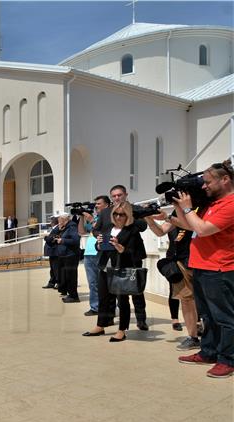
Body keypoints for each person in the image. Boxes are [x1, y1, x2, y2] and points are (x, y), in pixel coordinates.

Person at [173, 159, 234, 378]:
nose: (204, 186)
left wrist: (189, 207)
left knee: (224, 317)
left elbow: (204, 229)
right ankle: (208, 352)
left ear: (225, 180)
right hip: (200, 267)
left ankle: (228, 360)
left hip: (219, 269)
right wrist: (180, 207)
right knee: (207, 316)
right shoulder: (213, 204)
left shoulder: (231, 204)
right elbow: (189, 225)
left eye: (208, 182)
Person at [83, 201, 145, 342]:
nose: (118, 217)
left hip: (121, 269)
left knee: (122, 301)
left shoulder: (132, 231)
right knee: (103, 298)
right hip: (106, 267)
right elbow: (101, 248)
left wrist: (121, 248)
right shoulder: (108, 228)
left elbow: (137, 253)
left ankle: (122, 330)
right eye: (115, 214)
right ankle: (100, 325)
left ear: (127, 215)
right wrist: (99, 244)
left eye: (122, 214)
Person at [95, 185, 149, 330]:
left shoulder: (135, 209)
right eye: (114, 196)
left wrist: (128, 218)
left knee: (135, 290)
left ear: (126, 194)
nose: (117, 198)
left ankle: (141, 319)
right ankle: (106, 320)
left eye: (119, 195)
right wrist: (100, 239)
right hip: (109, 256)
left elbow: (143, 226)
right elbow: (97, 229)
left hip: (131, 255)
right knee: (108, 291)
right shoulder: (106, 212)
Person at [145, 210, 199, 350]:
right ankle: (192, 337)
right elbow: (160, 231)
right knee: (186, 300)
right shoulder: (178, 210)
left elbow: (197, 226)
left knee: (209, 301)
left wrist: (169, 216)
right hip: (182, 260)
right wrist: (149, 218)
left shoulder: (204, 203)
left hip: (204, 259)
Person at [78, 196, 111, 316]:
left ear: (107, 205)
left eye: (99, 204)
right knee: (92, 283)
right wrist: (81, 217)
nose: (96, 206)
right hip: (89, 254)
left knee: (105, 283)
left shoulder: (110, 217)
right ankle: (95, 307)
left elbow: (102, 231)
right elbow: (81, 232)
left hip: (101, 253)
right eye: (95, 204)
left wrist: (91, 220)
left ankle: (109, 307)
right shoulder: (96, 218)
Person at [55, 214, 81, 303]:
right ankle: (70, 294)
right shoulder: (65, 228)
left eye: (59, 220)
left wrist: (63, 240)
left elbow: (76, 240)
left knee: (71, 277)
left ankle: (74, 296)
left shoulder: (72, 227)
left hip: (71, 256)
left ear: (64, 220)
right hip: (65, 255)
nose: (58, 222)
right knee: (67, 276)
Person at [42, 216, 60, 289]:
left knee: (56, 268)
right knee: (52, 268)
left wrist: (46, 238)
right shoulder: (54, 228)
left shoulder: (56, 228)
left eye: (50, 221)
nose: (50, 223)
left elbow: (51, 239)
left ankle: (58, 282)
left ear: (52, 222)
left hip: (54, 251)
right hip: (52, 252)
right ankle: (52, 282)